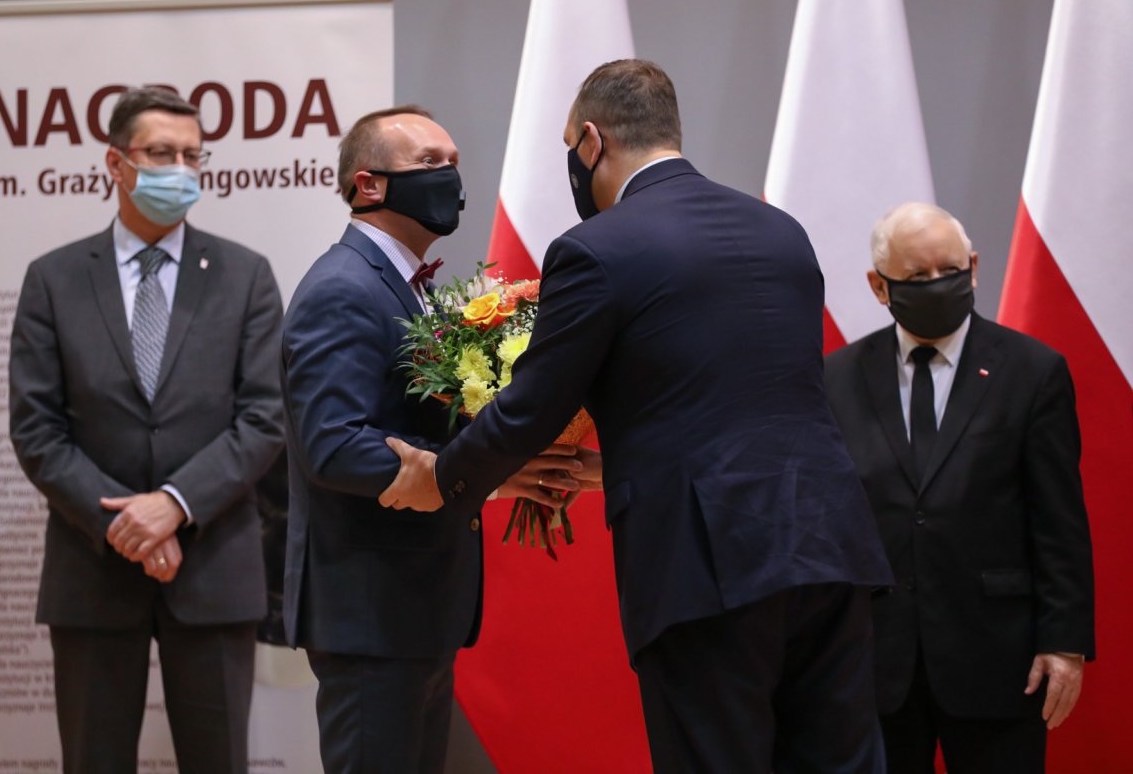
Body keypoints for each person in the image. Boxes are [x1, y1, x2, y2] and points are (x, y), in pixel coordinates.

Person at [379, 61, 893, 773]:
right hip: (832, 544)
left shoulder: (596, 249)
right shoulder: (781, 231)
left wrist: (442, 480)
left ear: (592, 141)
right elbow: (745, 402)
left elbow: (529, 410)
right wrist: (616, 464)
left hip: (709, 565)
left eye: (570, 147)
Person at [280, 105, 582, 774]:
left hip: (414, 606)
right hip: (371, 609)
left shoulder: (409, 287)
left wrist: (505, 462)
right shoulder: (343, 288)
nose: (449, 175)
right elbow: (334, 445)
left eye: (453, 163)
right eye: (428, 163)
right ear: (368, 185)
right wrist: (473, 474)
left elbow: (420, 428)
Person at [8, 87, 284, 774]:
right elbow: (37, 428)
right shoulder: (53, 279)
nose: (180, 170)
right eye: (162, 153)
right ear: (116, 163)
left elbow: (264, 416)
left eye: (193, 155)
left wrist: (175, 505)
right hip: (93, 569)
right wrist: (124, 524)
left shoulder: (246, 275)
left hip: (213, 565)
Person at [823, 202, 1095, 774]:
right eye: (916, 276)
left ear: (973, 267)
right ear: (879, 285)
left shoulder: (1032, 371)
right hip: (875, 662)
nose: (936, 284)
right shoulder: (836, 378)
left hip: (998, 657)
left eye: (948, 270)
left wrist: (1064, 643)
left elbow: (1059, 521)